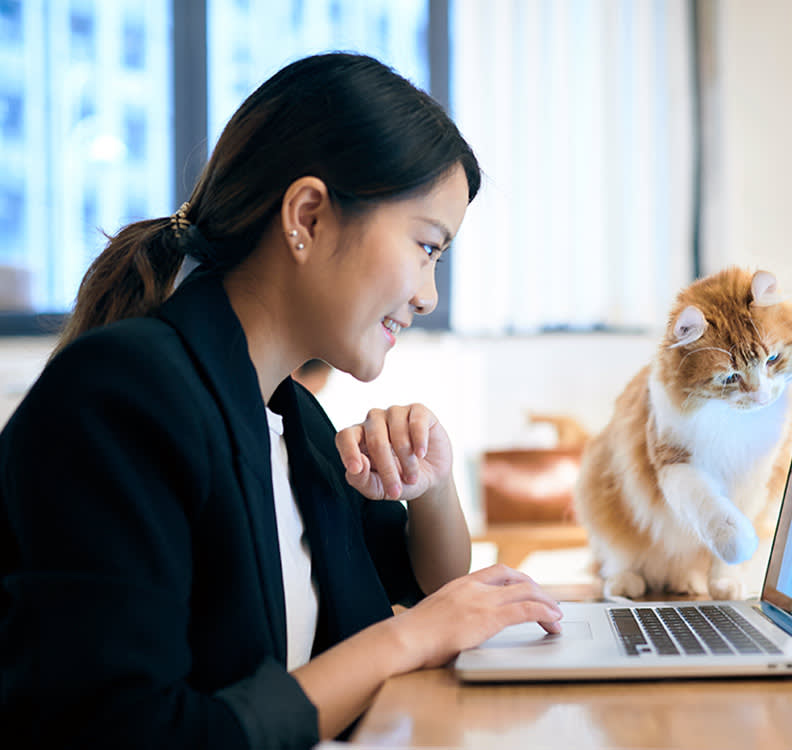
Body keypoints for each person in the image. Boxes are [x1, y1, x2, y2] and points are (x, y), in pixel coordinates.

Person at [0, 53, 562, 749]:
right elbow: (135, 733)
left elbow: (427, 589)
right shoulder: (121, 397)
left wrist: (432, 489)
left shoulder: (292, 418)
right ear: (308, 217)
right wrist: (404, 639)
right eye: (425, 246)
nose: (428, 295)